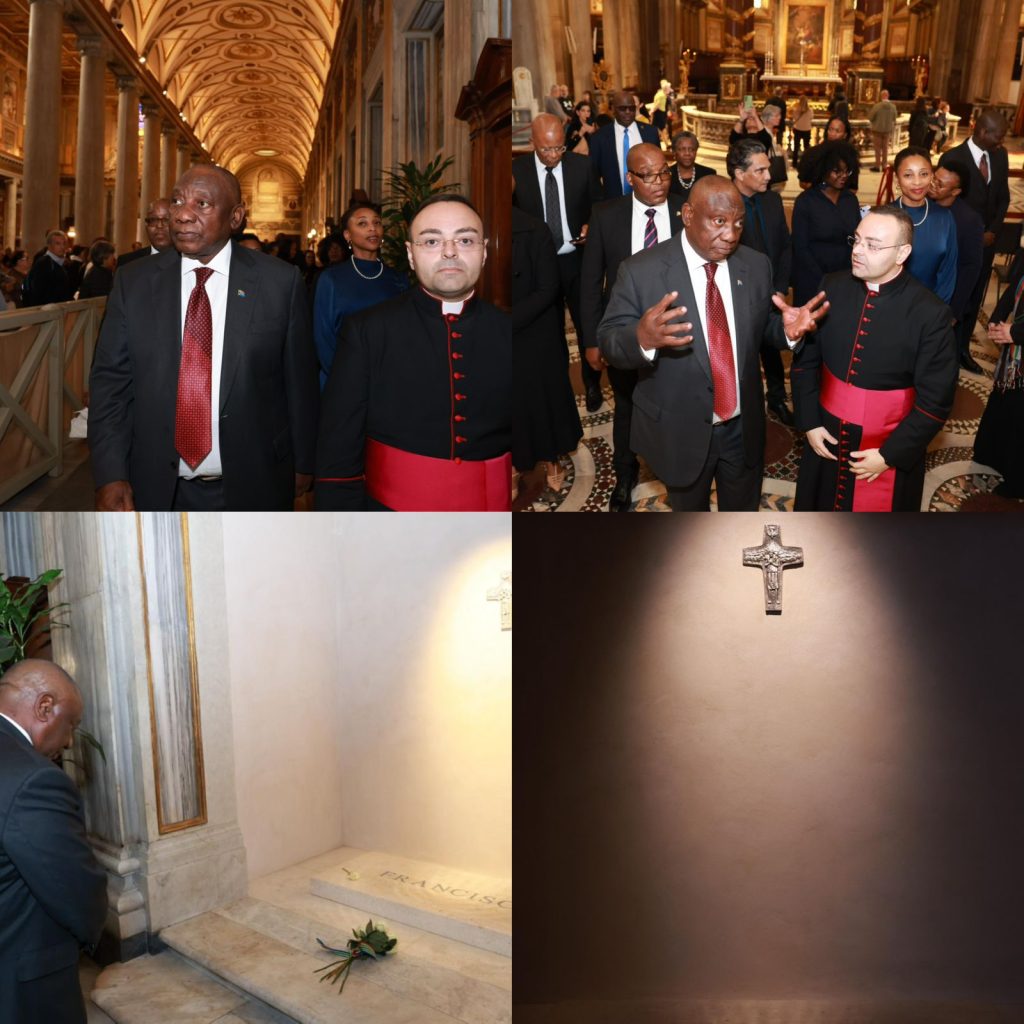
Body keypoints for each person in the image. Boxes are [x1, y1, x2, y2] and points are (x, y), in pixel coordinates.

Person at [88, 164, 319, 511]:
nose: (182, 214)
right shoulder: (133, 282)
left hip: (255, 481)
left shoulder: (280, 283)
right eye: (178, 201)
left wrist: (303, 462)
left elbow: (299, 383)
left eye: (202, 204)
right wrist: (110, 473)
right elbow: (110, 385)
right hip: (153, 484)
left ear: (236, 216)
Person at [597, 176, 828, 511]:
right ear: (688, 215)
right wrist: (642, 338)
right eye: (719, 222)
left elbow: (760, 329)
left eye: (737, 223)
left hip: (742, 426)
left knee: (740, 522)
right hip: (680, 430)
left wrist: (786, 332)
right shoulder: (640, 271)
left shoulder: (755, 265)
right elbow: (609, 341)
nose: (731, 235)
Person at [315, 195, 511, 510]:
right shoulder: (367, 331)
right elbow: (338, 453)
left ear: (485, 251)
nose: (450, 252)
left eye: (465, 239)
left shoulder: (510, 331)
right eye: (432, 241)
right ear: (410, 254)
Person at [791, 207, 958, 511]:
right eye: (856, 240)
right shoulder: (831, 286)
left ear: (902, 253)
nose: (857, 251)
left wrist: (889, 455)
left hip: (887, 444)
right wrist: (809, 422)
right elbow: (806, 361)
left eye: (872, 245)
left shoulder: (930, 314)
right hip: (825, 434)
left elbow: (935, 403)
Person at [0, 660, 107, 1024]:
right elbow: (75, 888)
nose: (69, 741)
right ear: (45, 707)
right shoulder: (33, 779)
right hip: (19, 977)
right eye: (71, 724)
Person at [579, 142, 684, 511]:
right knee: (626, 406)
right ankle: (625, 475)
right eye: (649, 175)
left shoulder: (685, 211)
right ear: (630, 178)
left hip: (677, 330)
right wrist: (591, 340)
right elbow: (590, 282)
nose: (660, 182)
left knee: (675, 403)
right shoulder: (607, 216)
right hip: (625, 334)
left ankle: (679, 471)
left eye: (665, 173)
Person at [513, 113, 601, 410]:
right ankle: (559, 388)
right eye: (546, 149)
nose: (553, 156)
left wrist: (590, 225)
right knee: (549, 334)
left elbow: (597, 207)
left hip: (576, 262)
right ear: (532, 143)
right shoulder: (517, 172)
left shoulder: (582, 166)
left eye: (559, 148)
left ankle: (591, 384)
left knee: (587, 325)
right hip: (539, 268)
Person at [512, 205, 582, 500]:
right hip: (497, 333)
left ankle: (552, 460)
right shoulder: (478, 231)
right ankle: (515, 464)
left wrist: (509, 320)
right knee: (511, 401)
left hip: (537, 329)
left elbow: (548, 288)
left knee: (545, 397)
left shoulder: (534, 228)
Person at [727, 139, 795, 426]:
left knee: (772, 349)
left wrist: (779, 287)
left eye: (768, 169)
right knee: (741, 354)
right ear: (739, 173)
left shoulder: (772, 200)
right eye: (761, 170)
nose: (769, 176)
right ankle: (743, 404)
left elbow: (784, 247)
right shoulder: (725, 203)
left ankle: (777, 398)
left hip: (774, 293)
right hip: (739, 296)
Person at [940, 110, 1010, 374]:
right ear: (983, 132)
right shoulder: (953, 158)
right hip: (959, 245)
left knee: (975, 297)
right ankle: (943, 353)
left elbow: (1002, 198)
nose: (1002, 141)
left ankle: (962, 350)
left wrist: (992, 230)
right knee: (956, 299)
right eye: (998, 136)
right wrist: (974, 234)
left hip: (987, 243)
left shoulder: (1000, 155)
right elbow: (946, 206)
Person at [313, 203, 408, 390]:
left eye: (377, 222)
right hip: (341, 380)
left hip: (388, 380)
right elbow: (323, 338)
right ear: (348, 235)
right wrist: (347, 379)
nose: (372, 228)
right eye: (362, 224)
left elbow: (405, 334)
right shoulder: (331, 278)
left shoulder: (397, 278)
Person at [973, 257, 1024, 498]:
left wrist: (1014, 332)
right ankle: (993, 455)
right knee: (1005, 398)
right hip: (1017, 355)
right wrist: (996, 319)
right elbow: (1015, 285)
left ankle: (1017, 480)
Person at [790, 141, 861, 306]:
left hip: (845, 278)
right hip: (812, 280)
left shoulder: (850, 200)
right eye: (837, 171)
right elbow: (800, 247)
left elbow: (857, 238)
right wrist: (823, 279)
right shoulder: (806, 201)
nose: (843, 176)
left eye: (847, 171)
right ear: (823, 170)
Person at [929, 161, 985, 367]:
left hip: (948, 302)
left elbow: (971, 268)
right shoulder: (920, 205)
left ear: (956, 191)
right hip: (918, 297)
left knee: (941, 362)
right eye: (934, 178)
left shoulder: (969, 220)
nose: (933, 184)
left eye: (940, 184)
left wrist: (954, 311)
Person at [889, 146, 957, 305]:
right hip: (888, 306)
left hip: (930, 307)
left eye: (924, 174)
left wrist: (938, 311)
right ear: (896, 178)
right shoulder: (884, 217)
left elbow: (948, 270)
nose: (917, 182)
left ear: (932, 176)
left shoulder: (944, 218)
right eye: (908, 175)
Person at [588, 90, 660, 200]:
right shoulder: (599, 137)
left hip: (647, 200)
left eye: (631, 108)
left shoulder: (650, 133)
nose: (628, 112)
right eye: (622, 108)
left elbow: (658, 166)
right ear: (613, 109)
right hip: (613, 202)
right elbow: (593, 175)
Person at [117, 197, 173, 268]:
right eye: (153, 220)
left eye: (166, 220)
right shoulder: (127, 263)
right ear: (146, 226)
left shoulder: (188, 261)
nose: (159, 225)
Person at [22, 229, 73, 306]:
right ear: (49, 245)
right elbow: (36, 292)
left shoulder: (60, 262)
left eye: (64, 243)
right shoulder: (44, 263)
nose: (62, 247)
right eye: (58, 244)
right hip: (47, 311)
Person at [667, 130, 716, 197]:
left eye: (691, 149)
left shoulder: (709, 174)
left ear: (696, 151)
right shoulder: (667, 175)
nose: (687, 153)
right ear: (674, 151)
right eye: (682, 149)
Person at [867, 88, 898, 171]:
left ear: (881, 96)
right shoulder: (893, 107)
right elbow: (895, 118)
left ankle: (877, 166)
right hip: (887, 130)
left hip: (877, 130)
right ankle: (884, 166)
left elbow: (870, 117)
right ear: (888, 96)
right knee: (885, 149)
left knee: (878, 149)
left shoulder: (877, 106)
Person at [791, 95, 813, 165]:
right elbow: (811, 118)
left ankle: (794, 163)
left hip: (798, 129)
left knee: (796, 147)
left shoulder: (796, 110)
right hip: (807, 130)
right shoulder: (810, 110)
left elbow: (794, 117)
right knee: (806, 148)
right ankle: (806, 163)